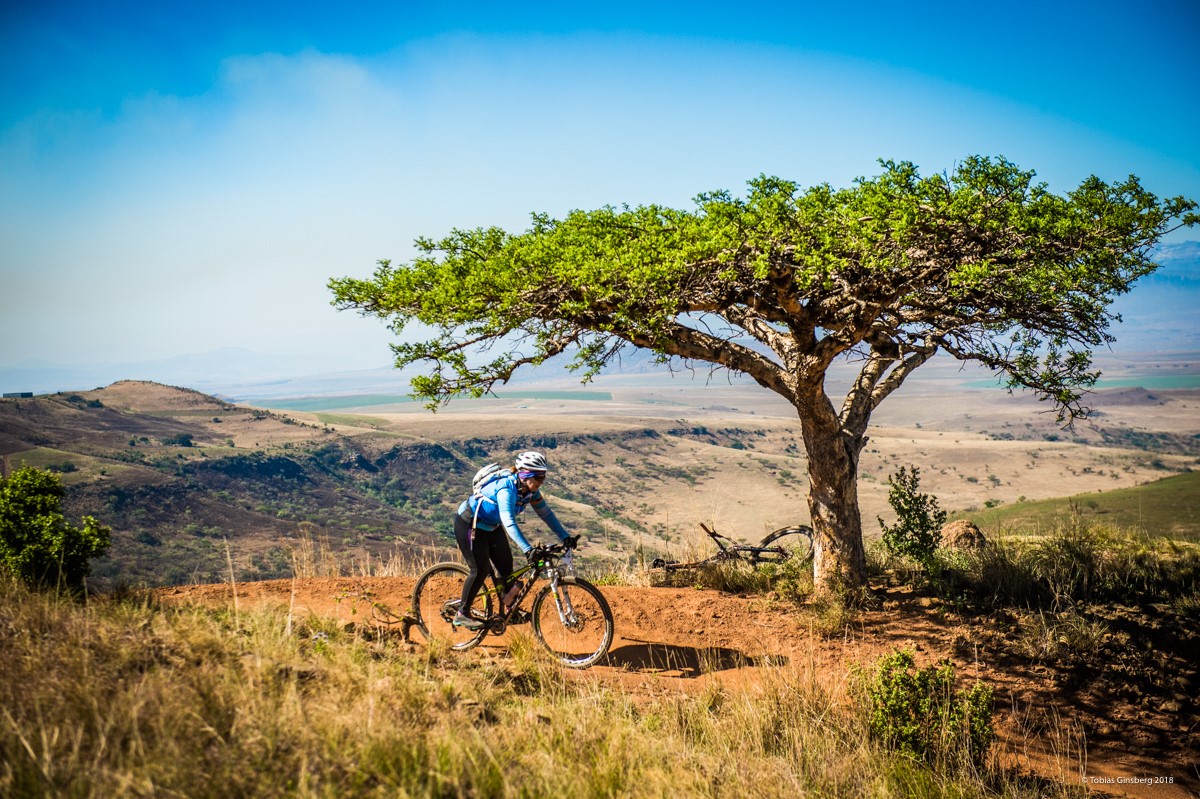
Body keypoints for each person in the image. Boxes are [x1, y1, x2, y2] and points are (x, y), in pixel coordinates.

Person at [453, 450, 578, 630]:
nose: (541, 482)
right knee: (480, 570)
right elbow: (509, 522)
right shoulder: (507, 490)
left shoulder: (530, 492)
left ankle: (509, 609)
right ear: (525, 474)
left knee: (506, 567)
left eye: (543, 478)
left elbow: (546, 514)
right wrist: (528, 549)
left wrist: (565, 537)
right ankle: (461, 613)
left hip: (491, 526)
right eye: (538, 478)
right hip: (469, 524)